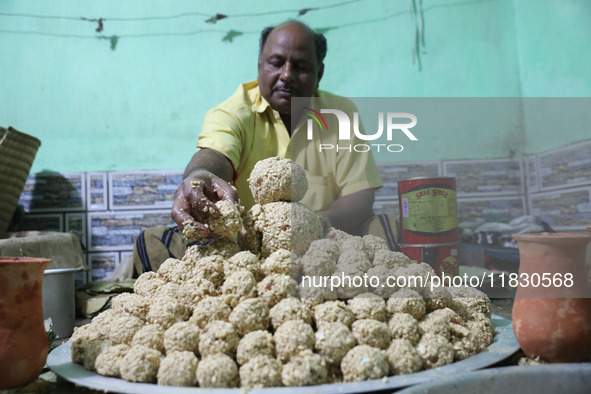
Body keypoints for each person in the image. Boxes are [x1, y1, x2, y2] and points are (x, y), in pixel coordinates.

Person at [134, 20, 383, 274]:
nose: (286, 75)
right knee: (153, 240)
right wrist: (200, 177)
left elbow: (360, 197)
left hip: (321, 245)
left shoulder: (340, 114)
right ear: (259, 66)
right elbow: (214, 156)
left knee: (385, 226)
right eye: (276, 63)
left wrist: (312, 226)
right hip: (242, 250)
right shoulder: (233, 112)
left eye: (301, 67)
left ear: (319, 74)